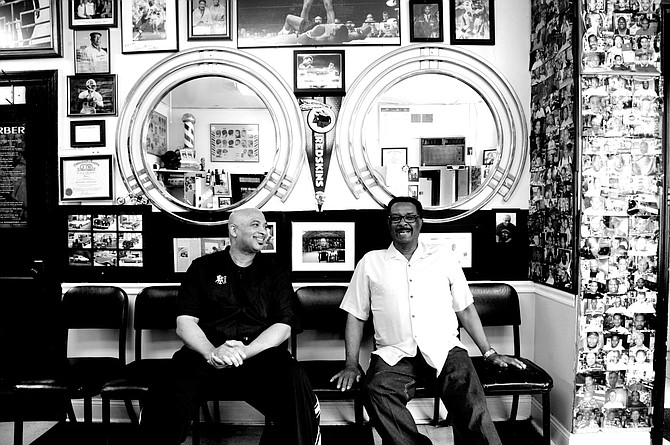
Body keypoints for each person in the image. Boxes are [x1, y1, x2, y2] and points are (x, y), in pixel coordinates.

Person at [331, 196, 525, 445]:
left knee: (471, 401)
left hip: (445, 349)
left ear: (420, 222)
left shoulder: (443, 257)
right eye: (396, 218)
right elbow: (356, 315)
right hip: (394, 353)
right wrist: (350, 363)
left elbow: (465, 309)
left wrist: (488, 353)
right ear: (388, 223)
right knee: (376, 389)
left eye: (410, 217)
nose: (403, 223)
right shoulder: (370, 262)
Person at [138, 208, 321, 445]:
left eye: (265, 227)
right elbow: (185, 323)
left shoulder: (276, 271)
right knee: (166, 389)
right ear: (234, 230)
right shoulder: (202, 268)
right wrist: (212, 352)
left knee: (295, 380)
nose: (263, 232)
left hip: (259, 355)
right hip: (207, 355)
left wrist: (244, 352)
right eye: (256, 225)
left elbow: (284, 325)